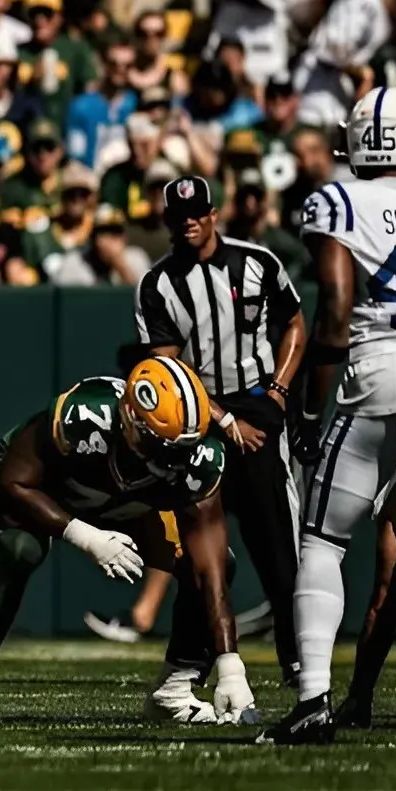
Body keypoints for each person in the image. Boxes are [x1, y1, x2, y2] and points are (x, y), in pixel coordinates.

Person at [273, 88, 396, 743]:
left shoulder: (339, 199)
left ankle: (313, 699)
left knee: (322, 540)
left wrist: (312, 408)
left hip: (377, 375)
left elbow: (337, 308)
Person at [0, 356, 256, 728]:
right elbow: (11, 484)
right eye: (159, 444)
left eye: (180, 449)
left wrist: (230, 664)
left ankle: (174, 690)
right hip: (46, 490)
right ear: (128, 417)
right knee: (20, 551)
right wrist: (84, 535)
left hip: (128, 505)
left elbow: (212, 570)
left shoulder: (199, 460)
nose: (170, 460)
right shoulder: (85, 416)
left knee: (216, 562)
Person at [102, 179, 305, 676]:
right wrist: (224, 419)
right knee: (198, 551)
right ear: (167, 221)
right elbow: (169, 371)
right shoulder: (156, 285)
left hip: (258, 407)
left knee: (281, 552)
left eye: (196, 212)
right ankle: (192, 668)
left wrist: (278, 391)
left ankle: (299, 662)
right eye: (178, 215)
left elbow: (296, 321)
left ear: (214, 213)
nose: (189, 221)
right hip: (196, 420)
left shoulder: (257, 262)